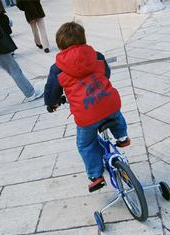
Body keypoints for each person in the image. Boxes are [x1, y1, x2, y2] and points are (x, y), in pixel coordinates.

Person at [44, 22, 131, 193]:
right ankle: (122, 137)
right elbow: (106, 73)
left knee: (86, 144)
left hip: (86, 114)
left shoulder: (57, 69)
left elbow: (52, 91)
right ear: (83, 39)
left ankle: (95, 175)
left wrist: (52, 103)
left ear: (60, 45)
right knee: (114, 112)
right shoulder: (96, 55)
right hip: (109, 101)